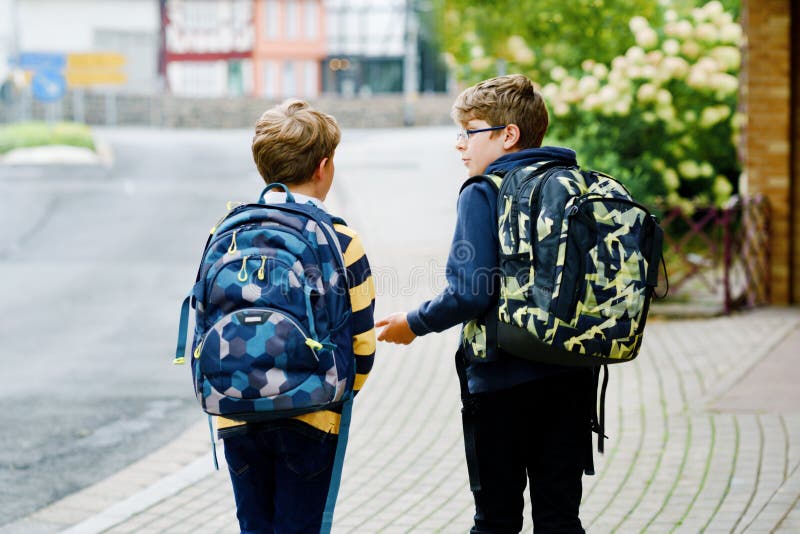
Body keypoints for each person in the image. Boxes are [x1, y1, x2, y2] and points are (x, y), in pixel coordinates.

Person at [376, 74, 593, 533]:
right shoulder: (576, 186)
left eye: (470, 131)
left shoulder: (484, 191)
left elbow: (470, 292)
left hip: (501, 381)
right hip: (574, 374)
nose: (460, 145)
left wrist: (412, 323)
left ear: (507, 135)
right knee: (560, 518)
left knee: (495, 520)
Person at [219, 99, 376, 533]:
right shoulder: (342, 239)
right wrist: (339, 393)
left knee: (254, 525)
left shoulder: (227, 233)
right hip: (312, 413)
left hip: (236, 407)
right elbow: (362, 343)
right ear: (324, 166)